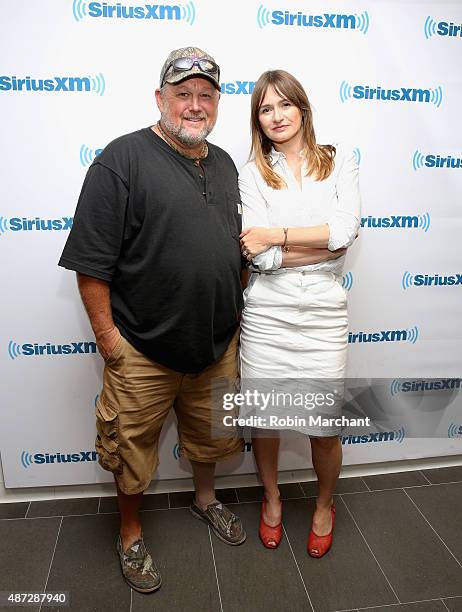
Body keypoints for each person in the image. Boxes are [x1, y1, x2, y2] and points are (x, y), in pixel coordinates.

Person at [58, 47, 246, 594]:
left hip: (215, 344)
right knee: (131, 450)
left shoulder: (227, 163)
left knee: (211, 439)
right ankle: (131, 533)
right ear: (159, 99)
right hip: (141, 347)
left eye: (205, 95)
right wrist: (110, 340)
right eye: (182, 94)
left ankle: (205, 500)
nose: (194, 105)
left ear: (216, 104)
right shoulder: (123, 159)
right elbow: (91, 263)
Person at [238, 70, 361, 556]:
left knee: (324, 426)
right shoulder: (251, 173)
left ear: (302, 109)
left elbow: (345, 232)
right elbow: (258, 255)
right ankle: (272, 498)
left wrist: (278, 236)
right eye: (266, 109)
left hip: (324, 313)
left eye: (284, 105)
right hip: (267, 312)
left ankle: (325, 503)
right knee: (266, 420)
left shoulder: (339, 159)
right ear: (258, 120)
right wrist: (314, 241)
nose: (277, 116)